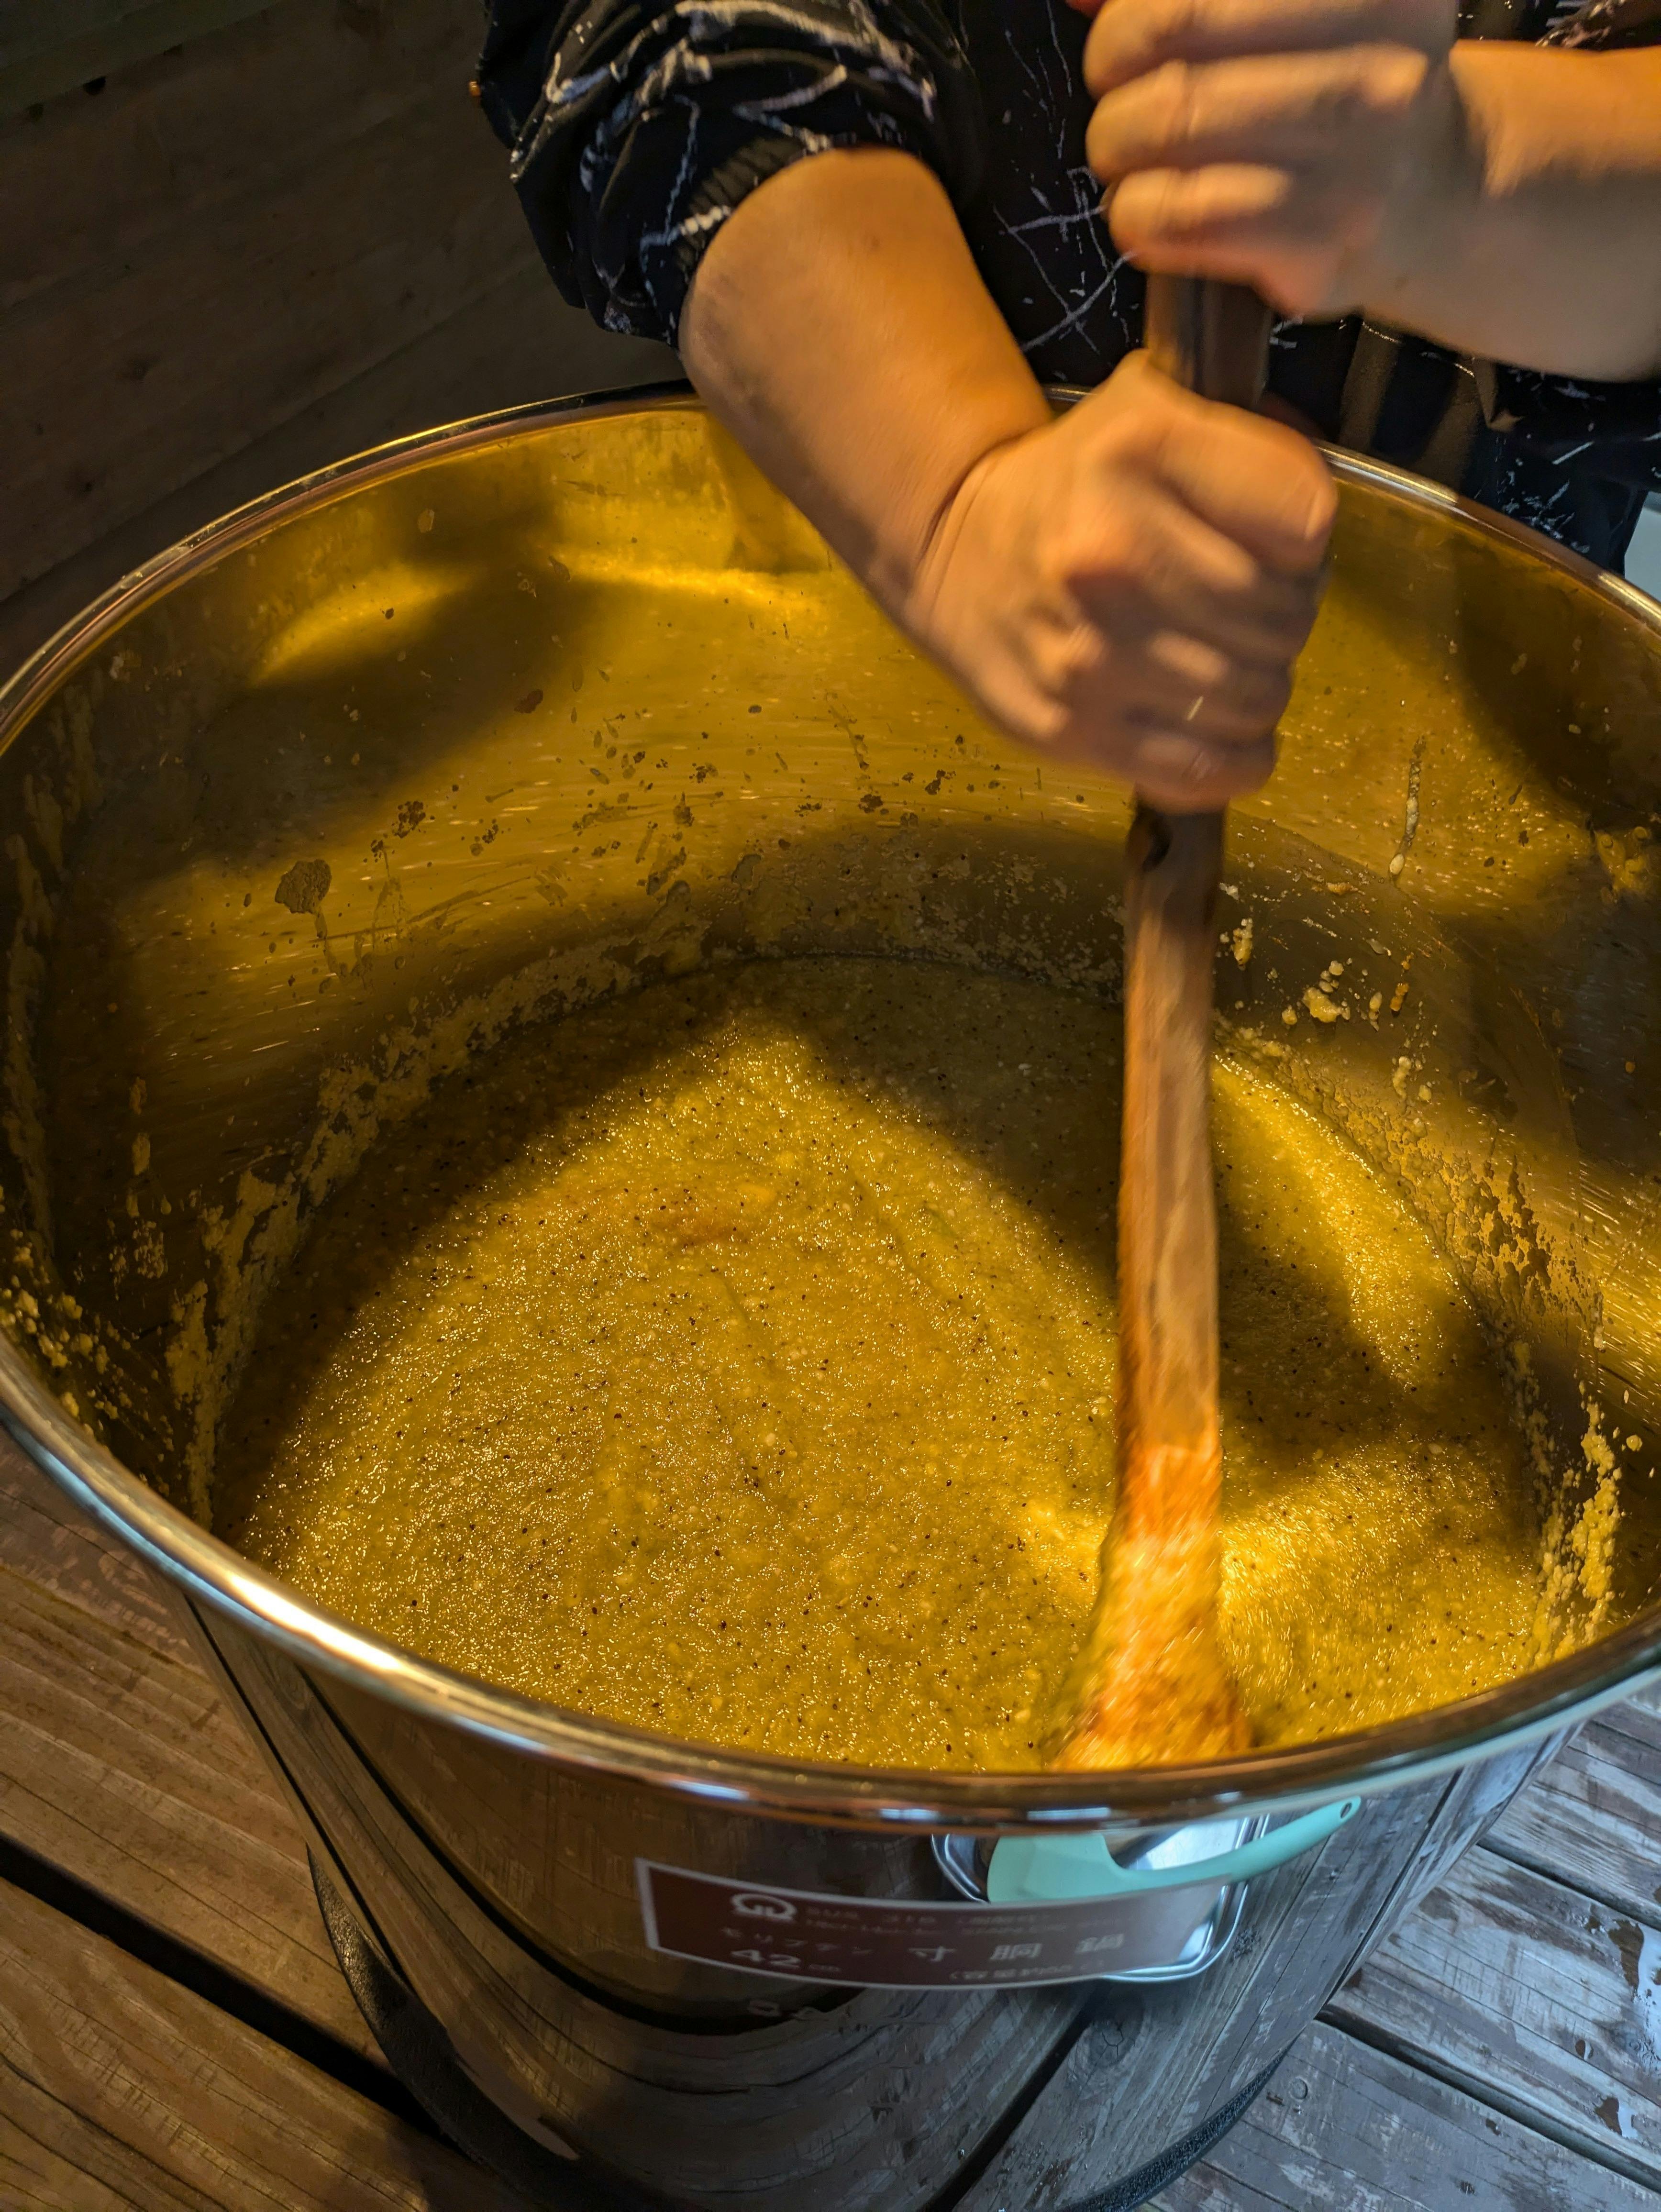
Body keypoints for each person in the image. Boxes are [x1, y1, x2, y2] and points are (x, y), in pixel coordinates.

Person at [476, 0, 1661, 805]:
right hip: (854, 517)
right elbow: (668, 49)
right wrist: (950, 503)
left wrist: (1465, 173)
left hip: (1511, 691)